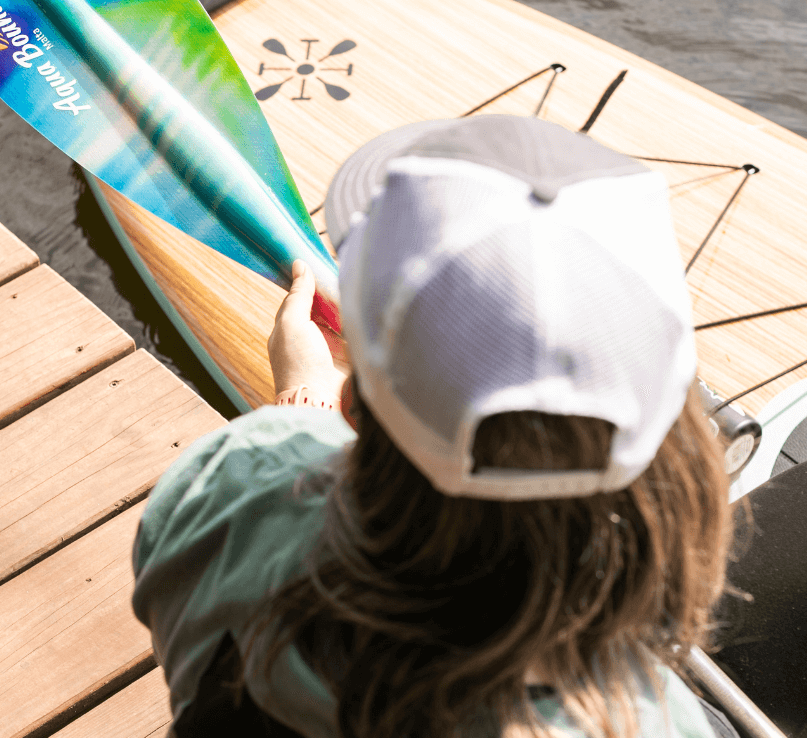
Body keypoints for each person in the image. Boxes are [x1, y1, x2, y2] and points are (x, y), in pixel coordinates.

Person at [132, 114, 736, 738]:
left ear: (353, 408)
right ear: (680, 445)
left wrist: (302, 393)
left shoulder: (231, 484)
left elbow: (265, 487)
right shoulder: (658, 721)